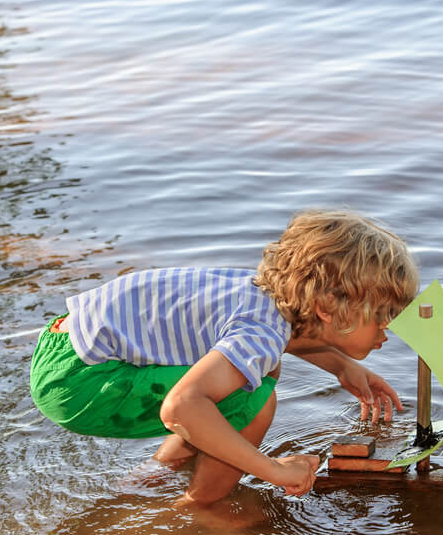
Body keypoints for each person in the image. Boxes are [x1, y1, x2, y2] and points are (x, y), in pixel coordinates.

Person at [29, 209, 419, 504]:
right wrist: (274, 470)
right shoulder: (261, 333)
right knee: (255, 395)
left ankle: (159, 469)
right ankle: (200, 506)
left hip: (66, 348)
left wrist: (342, 366)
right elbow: (180, 406)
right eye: (383, 317)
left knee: (252, 369)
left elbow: (284, 335)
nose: (389, 329)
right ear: (328, 305)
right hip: (78, 382)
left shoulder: (266, 298)